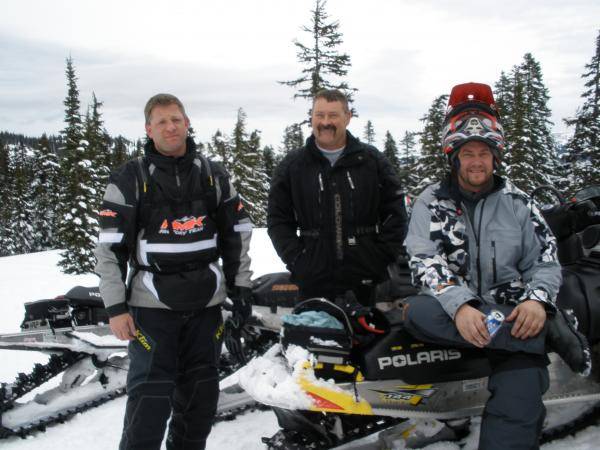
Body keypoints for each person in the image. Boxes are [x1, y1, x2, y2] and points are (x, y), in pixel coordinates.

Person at [403, 82, 591, 450]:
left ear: (496, 156)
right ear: (453, 156)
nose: (476, 160)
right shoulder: (429, 202)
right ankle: (545, 331)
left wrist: (537, 301)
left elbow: (546, 261)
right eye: (468, 152)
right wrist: (461, 306)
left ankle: (533, 329)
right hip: (456, 315)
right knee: (417, 310)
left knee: (521, 384)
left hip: (510, 310)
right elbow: (422, 258)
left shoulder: (519, 204)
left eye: (484, 153)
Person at [94, 93, 253, 450]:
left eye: (176, 119)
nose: (170, 127)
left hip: (206, 307)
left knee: (199, 403)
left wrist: (240, 289)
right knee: (149, 403)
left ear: (187, 123)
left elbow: (237, 234)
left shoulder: (213, 175)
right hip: (152, 309)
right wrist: (116, 308)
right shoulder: (129, 178)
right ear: (149, 129)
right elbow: (109, 249)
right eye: (162, 121)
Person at [267, 89, 408, 307]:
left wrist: (379, 257)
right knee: (316, 339)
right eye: (319, 115)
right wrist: (298, 260)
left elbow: (395, 214)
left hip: (368, 283)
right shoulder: (293, 166)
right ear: (311, 118)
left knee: (372, 340)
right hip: (313, 281)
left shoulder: (372, 161)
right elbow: (278, 220)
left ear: (347, 117)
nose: (325, 122)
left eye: (333, 115)